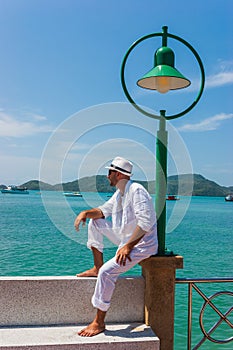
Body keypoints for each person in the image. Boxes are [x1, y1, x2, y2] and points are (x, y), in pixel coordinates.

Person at [74, 156, 158, 337]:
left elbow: (146, 223)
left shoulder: (137, 190)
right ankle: (96, 266)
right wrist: (84, 213)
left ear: (118, 174)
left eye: (109, 172)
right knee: (94, 222)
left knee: (107, 272)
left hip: (142, 244)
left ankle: (99, 322)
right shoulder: (120, 193)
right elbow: (103, 211)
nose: (107, 176)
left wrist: (128, 246)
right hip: (126, 239)